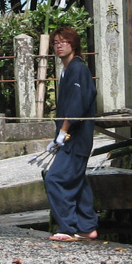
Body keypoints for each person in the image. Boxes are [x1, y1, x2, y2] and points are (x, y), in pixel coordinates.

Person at [44, 25, 99, 242]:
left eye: (63, 42)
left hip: (76, 138)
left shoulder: (78, 69)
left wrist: (63, 132)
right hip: (69, 138)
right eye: (56, 42)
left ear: (73, 44)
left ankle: (68, 227)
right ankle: (87, 226)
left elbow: (77, 106)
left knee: (55, 179)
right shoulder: (67, 71)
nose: (59, 46)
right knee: (77, 180)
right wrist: (58, 137)